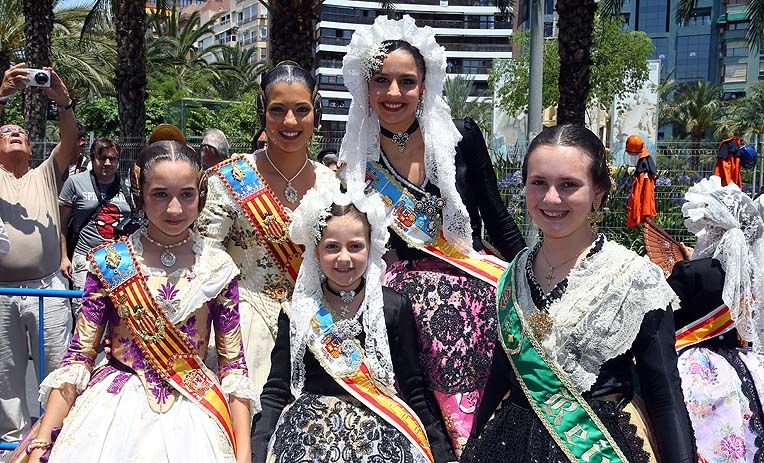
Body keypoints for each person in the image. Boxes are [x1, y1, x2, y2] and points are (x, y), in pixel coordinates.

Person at [339, 15, 525, 455]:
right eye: (380, 80)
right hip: (397, 291)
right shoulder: (358, 154)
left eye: (406, 81)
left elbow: (496, 215)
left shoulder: (461, 137)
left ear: (425, 84)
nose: (393, 93)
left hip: (470, 282)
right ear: (365, 87)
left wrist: (529, 272)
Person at [460, 125, 697, 463]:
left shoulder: (635, 278)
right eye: (538, 183)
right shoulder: (512, 274)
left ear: (599, 192)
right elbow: (501, 376)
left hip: (599, 446)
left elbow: (664, 394)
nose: (552, 198)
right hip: (508, 446)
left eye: (569, 185)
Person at [11, 140, 255, 463]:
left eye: (186, 194)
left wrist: (243, 455)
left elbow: (234, 367)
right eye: (160, 194)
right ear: (140, 194)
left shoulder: (218, 268)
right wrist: (42, 439)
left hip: (194, 411)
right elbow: (79, 356)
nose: (174, 209)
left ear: (201, 195)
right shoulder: (111, 262)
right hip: (112, 409)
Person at [252, 182, 456, 463]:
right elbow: (276, 390)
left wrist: (442, 454)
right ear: (315, 251)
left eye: (355, 246)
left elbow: (415, 388)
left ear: (372, 247)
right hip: (309, 437)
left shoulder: (393, 306)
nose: (344, 258)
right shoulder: (298, 310)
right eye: (332, 247)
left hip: (380, 435)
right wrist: (256, 451)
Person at [199, 61, 340, 401]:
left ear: (315, 112)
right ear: (262, 112)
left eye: (301, 110)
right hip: (245, 325)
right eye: (278, 110)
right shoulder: (229, 179)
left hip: (317, 325)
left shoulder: (332, 184)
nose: (290, 122)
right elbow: (203, 262)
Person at [0, 62, 78, 442]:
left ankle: (55, 440)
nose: (15, 134)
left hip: (47, 290)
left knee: (56, 373)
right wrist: (1, 95)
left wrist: (62, 102)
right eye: (6, 131)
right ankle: (13, 444)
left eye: (21, 132)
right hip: (1, 294)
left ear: (31, 148)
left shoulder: (45, 174)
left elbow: (70, 142)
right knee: (6, 378)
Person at [669, 176, 764, 463]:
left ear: (712, 228)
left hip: (697, 366)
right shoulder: (753, 275)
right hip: (744, 362)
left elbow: (666, 319)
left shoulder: (691, 272)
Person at [59, 137, 133, 318]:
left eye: (112, 159)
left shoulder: (127, 187)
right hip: (84, 257)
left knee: (119, 313)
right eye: (102, 158)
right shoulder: (75, 183)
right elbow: (61, 224)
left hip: (119, 261)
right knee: (84, 312)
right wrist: (63, 257)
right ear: (93, 159)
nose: (107, 163)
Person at [624, 134, 656, 229]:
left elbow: (644, 194)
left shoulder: (644, 172)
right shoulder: (646, 164)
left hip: (642, 210)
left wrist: (640, 212)